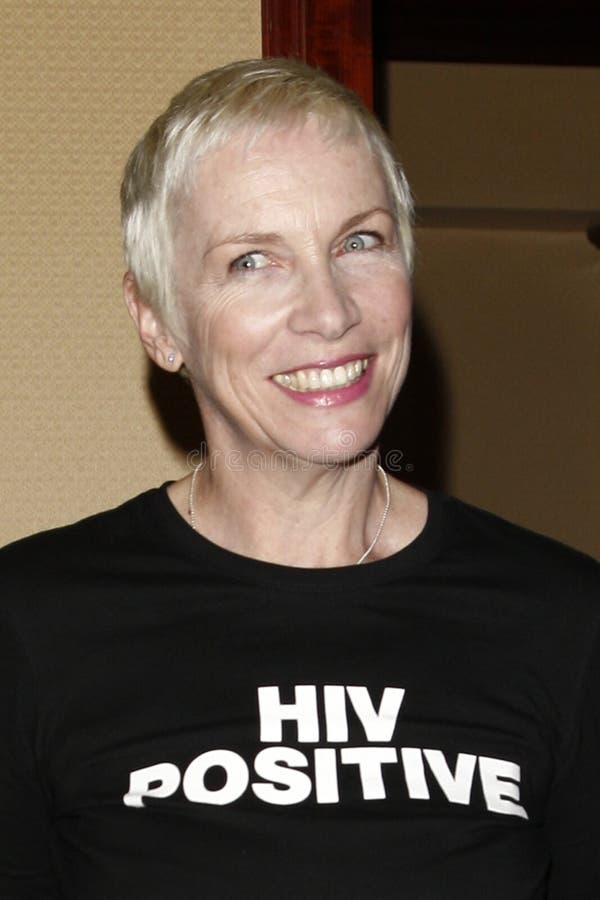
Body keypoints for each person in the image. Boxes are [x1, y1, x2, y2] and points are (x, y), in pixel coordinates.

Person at [0, 58, 598, 900]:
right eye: (253, 260)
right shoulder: (30, 625)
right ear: (159, 322)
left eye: (360, 242)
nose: (330, 311)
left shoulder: (568, 624)